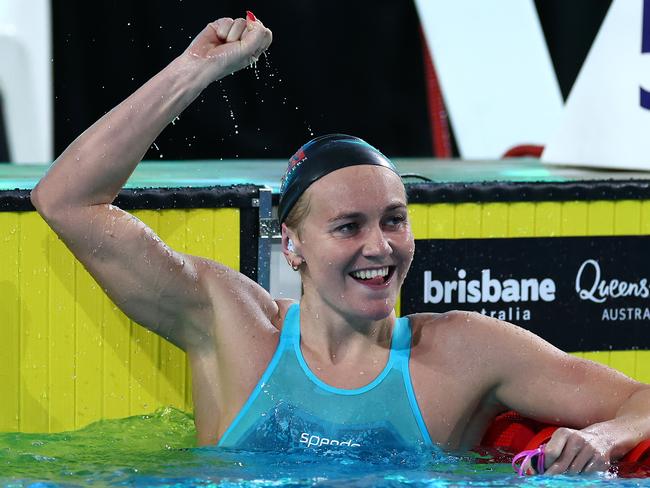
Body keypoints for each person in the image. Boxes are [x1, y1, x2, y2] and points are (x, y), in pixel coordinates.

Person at [31, 13, 650, 475]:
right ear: (291, 244)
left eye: (394, 219)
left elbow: (640, 400)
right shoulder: (232, 325)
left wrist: (605, 436)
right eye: (348, 226)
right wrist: (198, 69)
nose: (380, 246)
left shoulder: (464, 352)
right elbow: (65, 200)